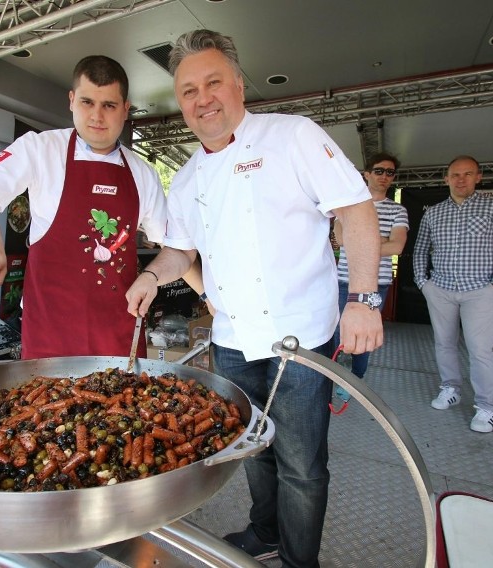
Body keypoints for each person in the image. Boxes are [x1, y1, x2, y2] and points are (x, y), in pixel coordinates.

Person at [126, 29, 384, 568]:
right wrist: (152, 277)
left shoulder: (293, 136)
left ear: (239, 86)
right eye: (189, 91)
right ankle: (266, 531)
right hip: (234, 341)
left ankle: (298, 560)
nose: (202, 99)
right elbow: (180, 252)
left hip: (302, 341)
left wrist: (364, 297)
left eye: (213, 82)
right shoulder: (190, 175)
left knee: (301, 464)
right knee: (251, 450)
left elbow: (356, 210)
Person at [0, 55, 167, 359]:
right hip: (50, 333)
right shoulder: (41, 149)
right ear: (71, 100)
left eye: (109, 105)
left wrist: (197, 289)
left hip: (119, 333)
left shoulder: (142, 173)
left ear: (125, 109)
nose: (97, 116)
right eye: (87, 102)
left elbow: (173, 246)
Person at [413, 155, 493, 433]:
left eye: (468, 174)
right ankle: (450, 389)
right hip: (441, 289)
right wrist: (424, 282)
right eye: (455, 175)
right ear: (446, 179)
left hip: (479, 290)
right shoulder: (433, 212)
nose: (461, 180)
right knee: (443, 343)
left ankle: (486, 407)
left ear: (478, 177)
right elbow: (420, 249)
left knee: (480, 350)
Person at [331, 152, 408, 398]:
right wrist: (380, 240)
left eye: (390, 172)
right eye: (379, 170)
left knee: (364, 334)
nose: (384, 176)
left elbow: (397, 247)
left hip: (378, 283)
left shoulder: (398, 210)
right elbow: (342, 240)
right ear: (367, 174)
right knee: (334, 332)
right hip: (343, 280)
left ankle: (355, 381)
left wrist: (361, 243)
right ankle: (332, 376)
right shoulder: (347, 206)